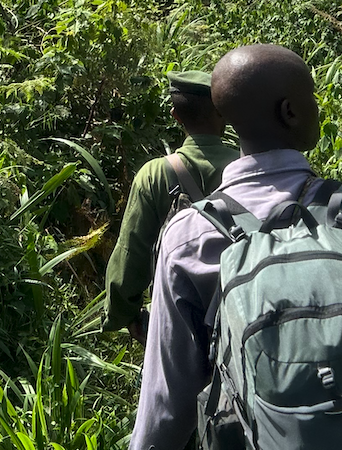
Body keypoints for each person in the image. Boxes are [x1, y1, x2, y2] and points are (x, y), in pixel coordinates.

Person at [129, 44, 342, 450]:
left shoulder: (189, 236)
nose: (317, 106)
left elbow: (166, 405)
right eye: (312, 96)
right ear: (290, 111)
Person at [100, 70, 239, 341]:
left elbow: (132, 252)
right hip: (243, 311)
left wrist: (125, 314)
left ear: (176, 116)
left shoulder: (154, 175)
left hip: (176, 321)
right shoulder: (246, 166)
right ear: (222, 113)